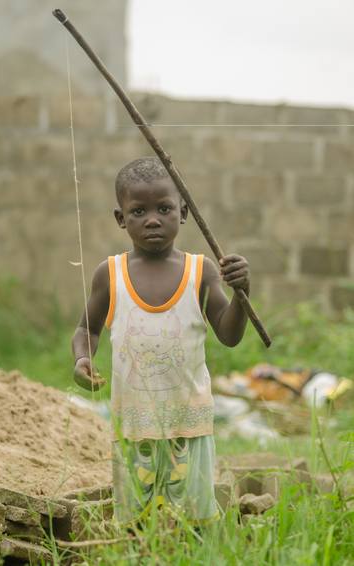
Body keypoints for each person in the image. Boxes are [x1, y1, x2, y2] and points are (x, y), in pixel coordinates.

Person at [72, 157, 250, 525]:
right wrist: (82, 359)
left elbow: (229, 335)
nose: (152, 219)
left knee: (195, 519)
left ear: (183, 212)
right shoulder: (111, 275)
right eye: (139, 211)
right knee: (135, 521)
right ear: (121, 218)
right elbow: (87, 329)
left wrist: (242, 294)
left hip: (190, 423)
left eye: (164, 208)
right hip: (134, 426)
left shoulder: (201, 272)